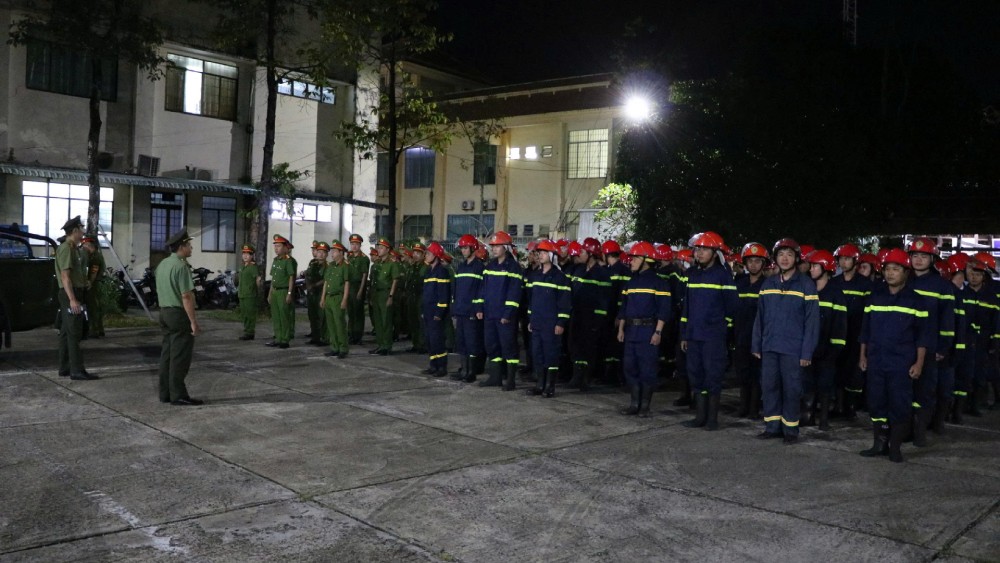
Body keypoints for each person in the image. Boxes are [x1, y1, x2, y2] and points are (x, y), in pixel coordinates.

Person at [859, 248, 932, 463]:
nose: (890, 273)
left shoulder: (916, 301)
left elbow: (923, 337)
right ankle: (878, 444)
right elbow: (865, 331)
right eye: (887, 269)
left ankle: (895, 447)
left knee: (899, 404)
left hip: (901, 363)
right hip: (876, 361)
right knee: (876, 402)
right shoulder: (875, 297)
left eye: (896, 269)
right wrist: (862, 357)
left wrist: (919, 363)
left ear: (905, 272)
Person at [752, 238, 820, 443]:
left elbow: (812, 323)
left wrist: (807, 352)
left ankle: (790, 431)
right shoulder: (768, 284)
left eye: (789, 254)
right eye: (781, 254)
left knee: (791, 389)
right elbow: (760, 317)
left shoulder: (806, 285)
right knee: (769, 386)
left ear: (797, 259)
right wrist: (756, 344)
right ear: (775, 258)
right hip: (770, 346)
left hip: (793, 348)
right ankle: (772, 427)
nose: (785, 258)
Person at [681, 231, 738, 430]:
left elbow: (732, 307)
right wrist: (685, 334)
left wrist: (723, 330)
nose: (700, 252)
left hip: (713, 336)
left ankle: (712, 419)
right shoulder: (693, 274)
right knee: (696, 374)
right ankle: (700, 417)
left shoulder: (723, 276)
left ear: (715, 252)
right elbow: (687, 307)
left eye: (704, 249)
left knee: (712, 375)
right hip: (694, 335)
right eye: (697, 249)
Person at [906, 238, 956, 446]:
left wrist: (942, 347)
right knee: (904, 390)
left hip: (930, 346)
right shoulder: (903, 280)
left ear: (933, 259)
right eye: (915, 255)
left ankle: (920, 432)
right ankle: (905, 429)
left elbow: (947, 319)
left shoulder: (942, 286)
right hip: (905, 345)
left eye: (923, 256)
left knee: (925, 390)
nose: (918, 260)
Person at [617, 241, 672, 417]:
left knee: (647, 368)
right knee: (630, 367)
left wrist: (658, 332)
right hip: (631, 330)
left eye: (634, 258)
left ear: (646, 260)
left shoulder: (659, 283)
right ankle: (634, 404)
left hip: (648, 331)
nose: (630, 261)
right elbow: (624, 308)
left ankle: (645, 407)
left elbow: (664, 310)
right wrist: (621, 329)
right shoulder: (631, 282)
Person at [155, 228, 202, 405]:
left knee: (167, 354)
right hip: (177, 313)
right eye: (189, 245)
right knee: (180, 356)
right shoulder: (181, 266)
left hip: (164, 312)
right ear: (181, 247)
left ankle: (165, 393)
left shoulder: (163, 264)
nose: (191, 248)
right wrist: (193, 322)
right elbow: (186, 296)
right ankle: (178, 395)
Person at [802, 249, 847, 431]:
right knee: (808, 383)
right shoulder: (807, 290)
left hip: (828, 349)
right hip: (809, 348)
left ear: (826, 268)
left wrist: (835, 349)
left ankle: (824, 419)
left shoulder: (836, 293)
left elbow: (840, 325)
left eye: (815, 266)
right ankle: (808, 416)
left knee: (825, 384)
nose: (811, 269)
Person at [829, 243, 873, 419]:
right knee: (837, 370)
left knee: (854, 372)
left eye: (847, 259)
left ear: (855, 261)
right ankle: (838, 406)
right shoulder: (834, 282)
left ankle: (850, 407)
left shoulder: (864, 284)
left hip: (856, 334)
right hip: (838, 333)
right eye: (841, 258)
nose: (844, 262)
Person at [525, 240, 572, 397]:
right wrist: (531, 319)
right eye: (539, 253)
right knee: (537, 354)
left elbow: (565, 303)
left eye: (544, 253)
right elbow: (532, 300)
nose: (540, 255)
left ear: (552, 256)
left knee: (550, 355)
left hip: (551, 325)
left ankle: (550, 386)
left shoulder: (560, 278)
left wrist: (561, 322)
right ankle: (540, 385)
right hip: (537, 322)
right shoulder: (535, 276)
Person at [478, 231, 524, 390]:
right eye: (493, 246)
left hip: (505, 317)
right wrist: (479, 307)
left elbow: (515, 292)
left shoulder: (514, 267)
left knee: (508, 347)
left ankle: (510, 380)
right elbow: (483, 289)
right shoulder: (490, 266)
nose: (494, 249)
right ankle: (495, 377)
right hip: (490, 314)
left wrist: (508, 314)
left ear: (506, 247)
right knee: (492, 346)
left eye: (497, 246)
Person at [55, 216, 97, 380]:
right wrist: (72, 299)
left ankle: (65, 367)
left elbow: (74, 273)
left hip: (75, 291)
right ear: (74, 231)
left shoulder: (74, 248)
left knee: (66, 332)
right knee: (74, 333)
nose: (83, 232)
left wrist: (83, 282)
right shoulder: (66, 248)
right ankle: (77, 370)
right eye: (81, 229)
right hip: (70, 294)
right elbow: (65, 276)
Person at [568, 237, 612, 392]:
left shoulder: (602, 274)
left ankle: (586, 378)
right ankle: (576, 375)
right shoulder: (578, 270)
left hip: (591, 318)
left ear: (591, 254)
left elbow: (604, 300)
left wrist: (598, 321)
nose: (579, 253)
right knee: (575, 346)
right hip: (577, 315)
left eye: (582, 251)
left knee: (589, 348)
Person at [734, 242, 769, 418]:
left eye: (757, 261)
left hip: (759, 339)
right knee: (742, 372)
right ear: (745, 263)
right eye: (750, 261)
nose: (753, 264)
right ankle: (743, 406)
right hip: (741, 336)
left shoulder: (768, 285)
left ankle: (754, 408)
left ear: (763, 264)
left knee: (756, 374)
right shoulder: (739, 284)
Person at [964, 252, 999, 417]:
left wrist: (994, 342)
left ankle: (975, 404)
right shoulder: (963, 295)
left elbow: (996, 322)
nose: (974, 277)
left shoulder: (991, 297)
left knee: (981, 374)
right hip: (966, 340)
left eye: (978, 274)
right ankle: (962, 406)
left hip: (983, 342)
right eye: (972, 274)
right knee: (965, 373)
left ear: (984, 276)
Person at [451, 235, 485, 382]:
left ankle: (471, 372)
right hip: (460, 311)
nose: (463, 251)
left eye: (465, 248)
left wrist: (478, 308)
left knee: (472, 342)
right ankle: (464, 369)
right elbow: (457, 289)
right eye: (462, 248)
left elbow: (481, 291)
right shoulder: (461, 266)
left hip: (471, 311)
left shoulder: (479, 268)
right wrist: (454, 308)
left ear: (473, 248)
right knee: (462, 342)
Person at [947, 252, 974, 424]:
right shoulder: (948, 292)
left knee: (963, 378)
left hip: (967, 344)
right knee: (948, 381)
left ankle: (957, 412)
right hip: (950, 345)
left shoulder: (968, 293)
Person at [420, 242, 451, 376]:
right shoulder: (428, 271)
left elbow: (444, 295)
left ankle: (442, 367)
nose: (426, 255)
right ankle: (433, 365)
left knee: (437, 340)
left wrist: (439, 312)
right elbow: (425, 294)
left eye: (429, 253)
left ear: (436, 255)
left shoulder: (442, 272)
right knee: (429, 339)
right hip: (427, 311)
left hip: (436, 313)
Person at [602, 240, 631, 384]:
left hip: (613, 314)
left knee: (611, 345)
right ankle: (618, 376)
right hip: (620, 314)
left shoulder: (611, 271)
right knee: (618, 346)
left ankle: (611, 376)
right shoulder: (626, 270)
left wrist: (618, 315)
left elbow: (617, 296)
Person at [368, 238, 401, 355]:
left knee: (386, 320)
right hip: (376, 294)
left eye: (381, 248)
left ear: (387, 250)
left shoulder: (392, 264)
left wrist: (391, 296)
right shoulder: (376, 264)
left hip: (386, 294)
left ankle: (387, 346)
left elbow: (395, 281)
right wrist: (371, 296)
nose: (379, 249)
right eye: (378, 247)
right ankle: (380, 344)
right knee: (377, 321)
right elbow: (372, 282)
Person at [321, 240, 350, 358]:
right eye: (332, 251)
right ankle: (334, 347)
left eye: (334, 251)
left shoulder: (345, 266)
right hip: (328, 297)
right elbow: (326, 282)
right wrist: (322, 298)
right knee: (331, 324)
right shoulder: (331, 266)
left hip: (338, 297)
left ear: (341, 253)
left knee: (339, 324)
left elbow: (347, 283)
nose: (332, 253)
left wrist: (344, 299)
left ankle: (343, 348)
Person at [267, 234, 297, 349]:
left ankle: (285, 339)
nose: (276, 248)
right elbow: (273, 278)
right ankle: (278, 338)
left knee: (284, 316)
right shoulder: (276, 260)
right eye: (275, 246)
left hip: (283, 291)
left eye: (278, 246)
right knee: (276, 316)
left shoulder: (288, 261)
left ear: (285, 248)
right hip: (275, 291)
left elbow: (291, 277)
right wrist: (270, 293)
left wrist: (289, 293)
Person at [80, 234, 106, 338]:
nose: (83, 248)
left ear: (88, 245)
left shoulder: (95, 257)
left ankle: (94, 330)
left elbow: (94, 272)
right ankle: (99, 329)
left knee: (92, 308)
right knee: (96, 307)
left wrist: (90, 282)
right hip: (95, 284)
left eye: (84, 246)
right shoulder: (95, 255)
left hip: (93, 285)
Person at [346, 234, 370, 345]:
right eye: (352, 244)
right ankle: (351, 333)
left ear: (360, 245)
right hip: (349, 286)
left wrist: (361, 290)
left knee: (358, 312)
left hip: (358, 286)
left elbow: (364, 275)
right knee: (350, 311)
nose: (354, 246)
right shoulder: (349, 257)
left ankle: (357, 336)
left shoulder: (364, 258)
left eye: (356, 244)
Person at [305, 241, 329, 346]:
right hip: (311, 293)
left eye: (324, 252)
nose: (321, 254)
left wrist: (314, 285)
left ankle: (324, 338)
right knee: (312, 315)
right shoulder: (312, 264)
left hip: (320, 292)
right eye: (319, 251)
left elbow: (325, 280)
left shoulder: (328, 266)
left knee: (322, 316)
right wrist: (308, 286)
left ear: (327, 254)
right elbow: (308, 275)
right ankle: (315, 337)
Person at [236, 244, 261, 340]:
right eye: (244, 254)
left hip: (250, 295)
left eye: (248, 254)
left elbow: (258, 279)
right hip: (242, 294)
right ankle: (246, 331)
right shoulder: (243, 267)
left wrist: (256, 291)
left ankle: (250, 332)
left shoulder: (253, 267)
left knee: (250, 315)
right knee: (245, 314)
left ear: (252, 256)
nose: (245, 256)